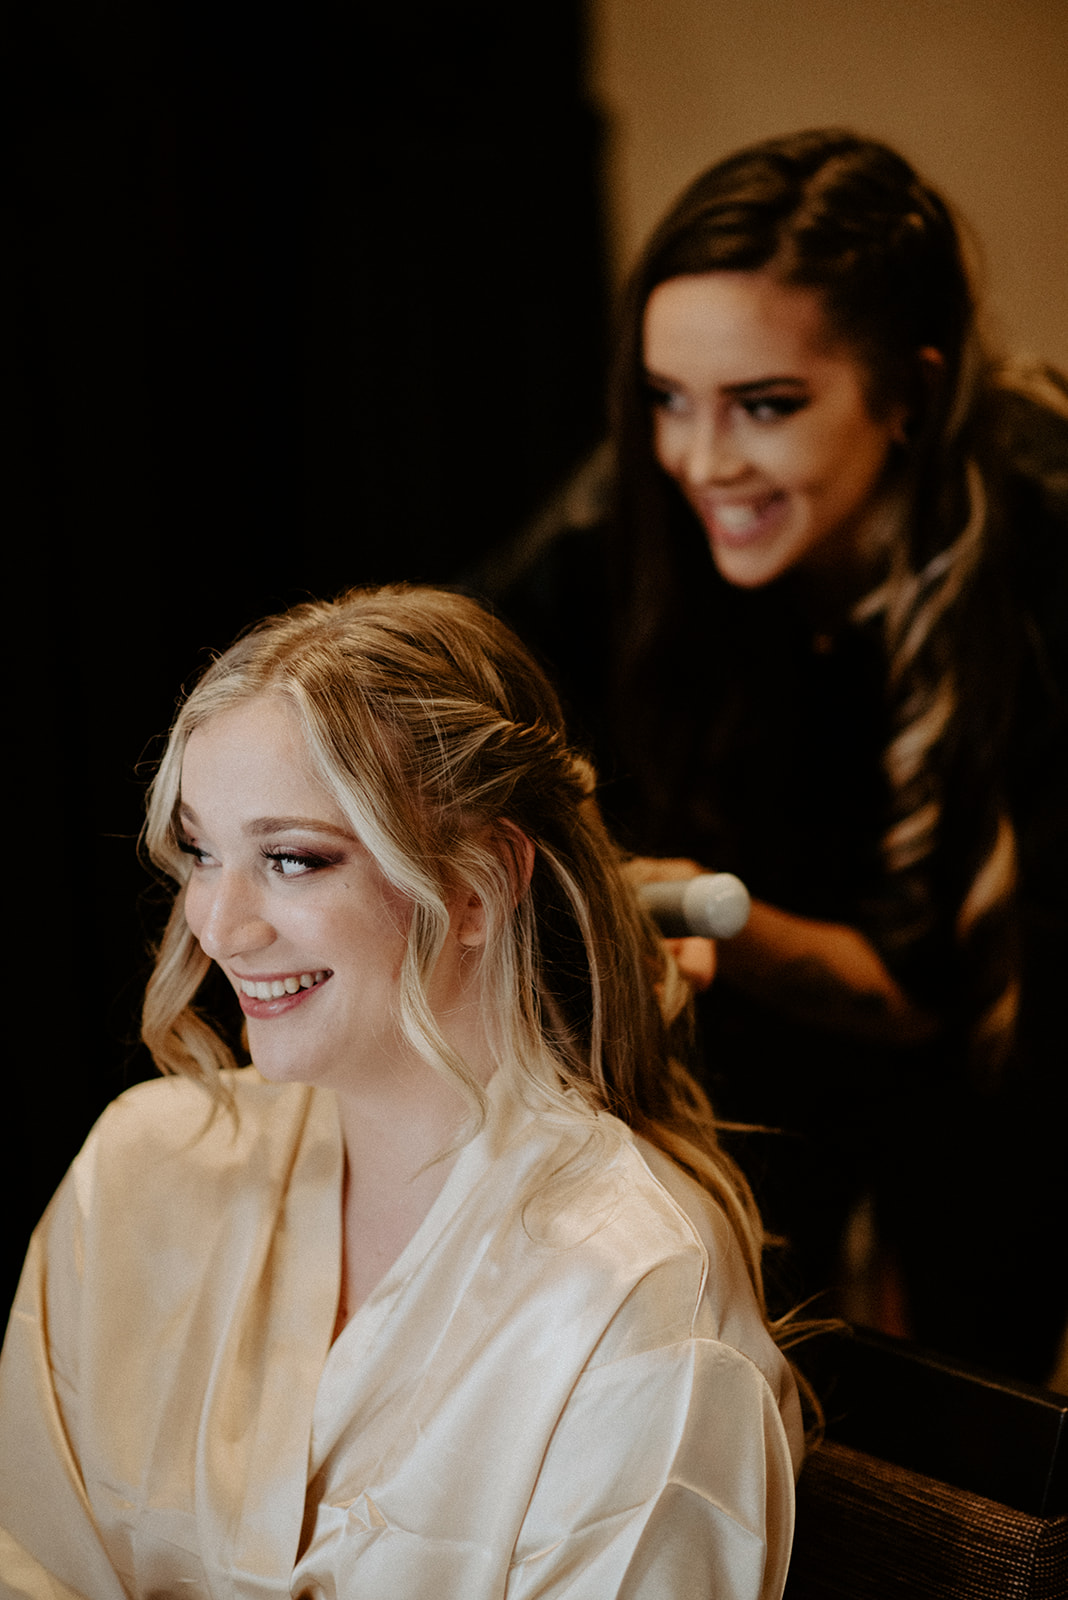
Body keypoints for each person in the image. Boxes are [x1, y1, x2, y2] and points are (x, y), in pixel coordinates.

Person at [0, 585, 803, 1597]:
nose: (219, 923)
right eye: (204, 851)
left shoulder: (628, 1298)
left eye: (291, 859)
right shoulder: (143, 1168)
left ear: (477, 886)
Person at [483, 129, 1068, 1385]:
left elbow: (933, 990)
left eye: (767, 405)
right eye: (666, 398)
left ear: (908, 391)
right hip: (748, 1045)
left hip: (1006, 1044)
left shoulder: (1040, 559)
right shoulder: (627, 518)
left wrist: (695, 904)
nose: (701, 460)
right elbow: (448, 683)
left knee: (983, 1397)